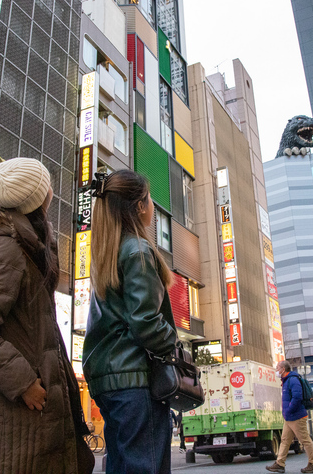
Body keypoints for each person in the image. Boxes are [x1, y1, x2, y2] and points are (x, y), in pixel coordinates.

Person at [0, 158, 92, 473]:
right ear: (40, 197)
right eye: (48, 185)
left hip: (19, 416)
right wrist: (24, 382)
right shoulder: (10, 248)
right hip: (10, 415)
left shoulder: (28, 245)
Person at [82, 170, 178, 474]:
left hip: (109, 381)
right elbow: (146, 321)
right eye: (149, 199)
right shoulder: (137, 250)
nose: (151, 206)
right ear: (139, 206)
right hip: (136, 380)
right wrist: (175, 347)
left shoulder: (108, 252)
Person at [266, 360, 313, 473]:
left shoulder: (293, 379)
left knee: (305, 440)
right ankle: (280, 463)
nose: (276, 371)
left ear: (283, 369)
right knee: (285, 440)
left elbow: (297, 397)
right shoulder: (286, 380)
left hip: (296, 416)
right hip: (290, 417)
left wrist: (289, 410)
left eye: (277, 368)